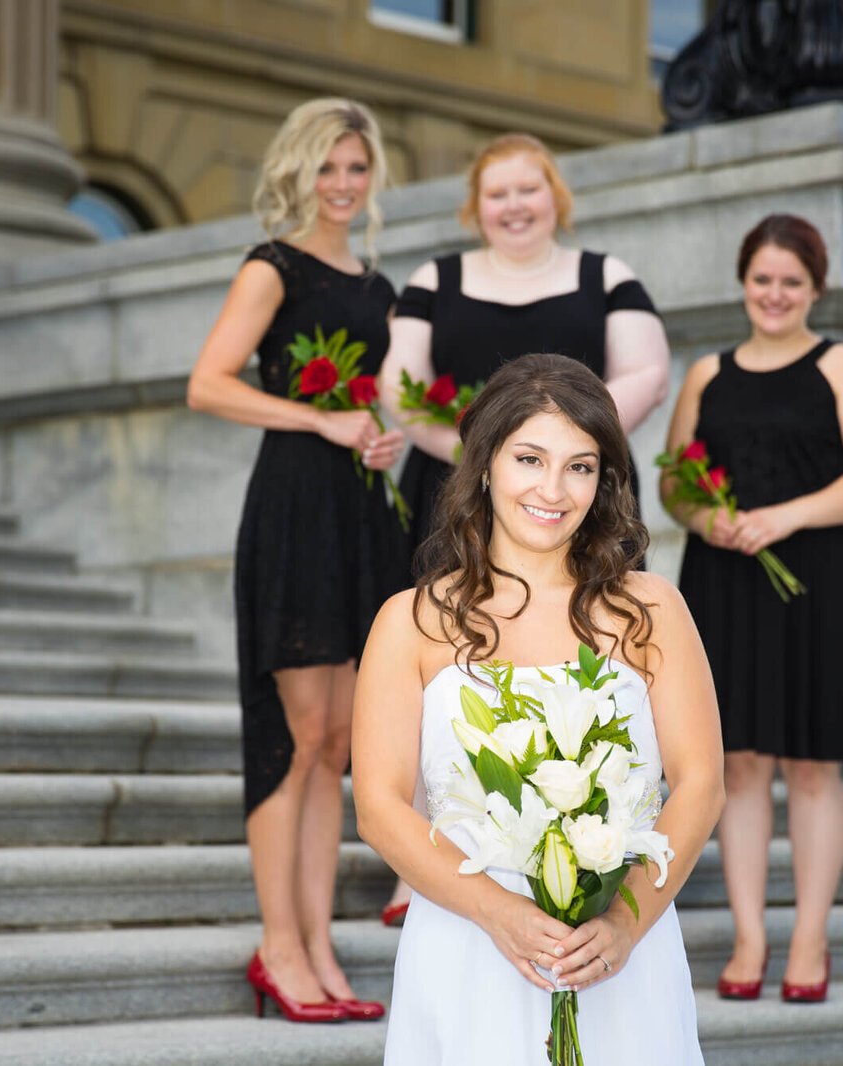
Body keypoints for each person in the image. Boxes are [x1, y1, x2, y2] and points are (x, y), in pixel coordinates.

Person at [353, 353, 724, 1064]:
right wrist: (504, 916)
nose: (553, 489)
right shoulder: (411, 622)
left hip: (617, 949)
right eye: (530, 459)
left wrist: (622, 922)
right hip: (467, 943)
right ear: (485, 463)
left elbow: (701, 781)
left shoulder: (649, 608)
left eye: (580, 467)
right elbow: (379, 806)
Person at [375, 131, 672, 924]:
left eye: (529, 189)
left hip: (576, 495)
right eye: (497, 192)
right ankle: (426, 862)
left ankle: (600, 843)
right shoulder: (433, 280)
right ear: (476, 205)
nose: (514, 205)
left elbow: (647, 369)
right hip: (455, 480)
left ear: (556, 198)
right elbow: (397, 389)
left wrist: (570, 450)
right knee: (441, 673)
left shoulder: (605, 276)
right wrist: (481, 453)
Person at [186, 98, 406, 1024]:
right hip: (293, 509)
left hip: (362, 513)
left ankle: (318, 944)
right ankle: (279, 946)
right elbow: (207, 384)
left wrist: (385, 438)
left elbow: (388, 395)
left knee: (337, 743)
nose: (344, 185)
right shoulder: (271, 267)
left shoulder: (383, 287)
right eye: (329, 168)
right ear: (299, 171)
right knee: (292, 733)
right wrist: (318, 417)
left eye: (357, 168)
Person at [662, 214, 843, 1004]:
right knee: (738, 762)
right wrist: (708, 519)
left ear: (816, 288)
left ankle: (809, 937)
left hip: (824, 573)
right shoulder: (706, 374)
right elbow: (673, 481)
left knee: (812, 762)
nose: (775, 294)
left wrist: (784, 517)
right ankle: (750, 935)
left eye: (792, 281)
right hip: (726, 577)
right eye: (762, 279)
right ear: (742, 282)